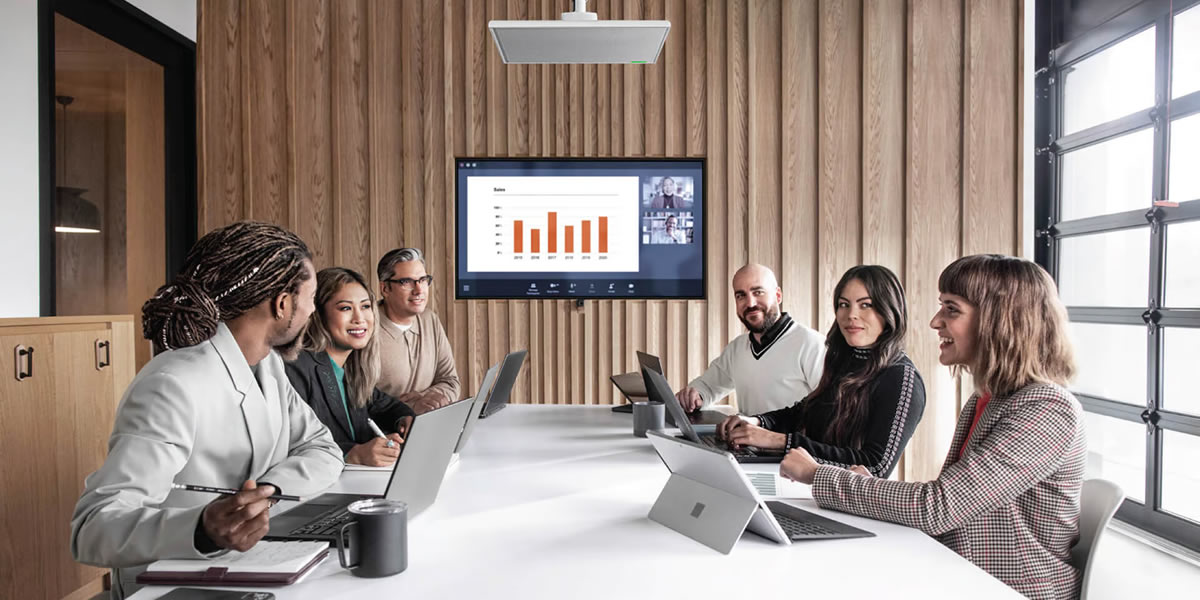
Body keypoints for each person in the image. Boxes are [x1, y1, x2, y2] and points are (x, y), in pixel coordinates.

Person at [781, 254, 1085, 599]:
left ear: (1000, 319)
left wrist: (816, 474)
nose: (935, 321)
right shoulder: (988, 398)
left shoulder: (1047, 409)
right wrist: (864, 490)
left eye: (951, 309)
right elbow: (950, 504)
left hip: (1007, 589)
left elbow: (937, 507)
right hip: (958, 570)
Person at [70, 221, 343, 598]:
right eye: (311, 297)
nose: (314, 309)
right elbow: (93, 528)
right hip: (175, 586)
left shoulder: (268, 365)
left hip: (249, 568)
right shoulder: (173, 384)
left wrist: (268, 492)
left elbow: (323, 448)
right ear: (282, 304)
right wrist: (201, 528)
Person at [717, 265, 926, 478]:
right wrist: (758, 422)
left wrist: (778, 441)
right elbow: (806, 411)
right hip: (808, 489)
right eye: (844, 305)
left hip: (848, 506)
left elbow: (876, 466)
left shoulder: (901, 378)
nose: (851, 315)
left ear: (889, 310)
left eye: (866, 305)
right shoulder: (843, 360)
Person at [286, 267, 416, 466]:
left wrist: (403, 419)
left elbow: (384, 405)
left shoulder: (351, 370)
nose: (359, 318)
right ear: (318, 314)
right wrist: (352, 454)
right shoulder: (297, 367)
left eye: (365, 306)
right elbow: (290, 444)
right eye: (345, 308)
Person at [675, 264, 826, 415]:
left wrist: (778, 437)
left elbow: (830, 411)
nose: (750, 303)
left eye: (758, 292)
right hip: (743, 438)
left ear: (778, 296)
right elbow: (708, 386)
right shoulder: (737, 348)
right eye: (741, 295)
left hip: (790, 439)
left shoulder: (812, 344)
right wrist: (695, 395)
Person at [375, 248, 461, 415]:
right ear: (385, 288)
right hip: (384, 434)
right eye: (407, 282)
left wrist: (421, 400)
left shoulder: (430, 320)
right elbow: (357, 399)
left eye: (422, 280)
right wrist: (406, 409)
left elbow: (450, 382)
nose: (419, 290)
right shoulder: (366, 328)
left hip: (430, 423)